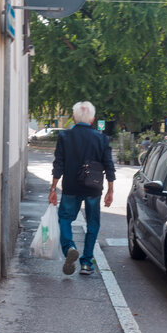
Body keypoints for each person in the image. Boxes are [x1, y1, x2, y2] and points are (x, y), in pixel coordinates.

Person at [48, 101, 115, 275]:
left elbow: (59, 164)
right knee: (93, 223)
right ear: (92, 119)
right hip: (93, 188)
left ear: (73, 118)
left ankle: (69, 246)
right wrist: (110, 190)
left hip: (70, 186)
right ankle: (86, 263)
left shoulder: (64, 137)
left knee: (64, 218)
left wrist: (53, 188)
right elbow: (109, 165)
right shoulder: (102, 138)